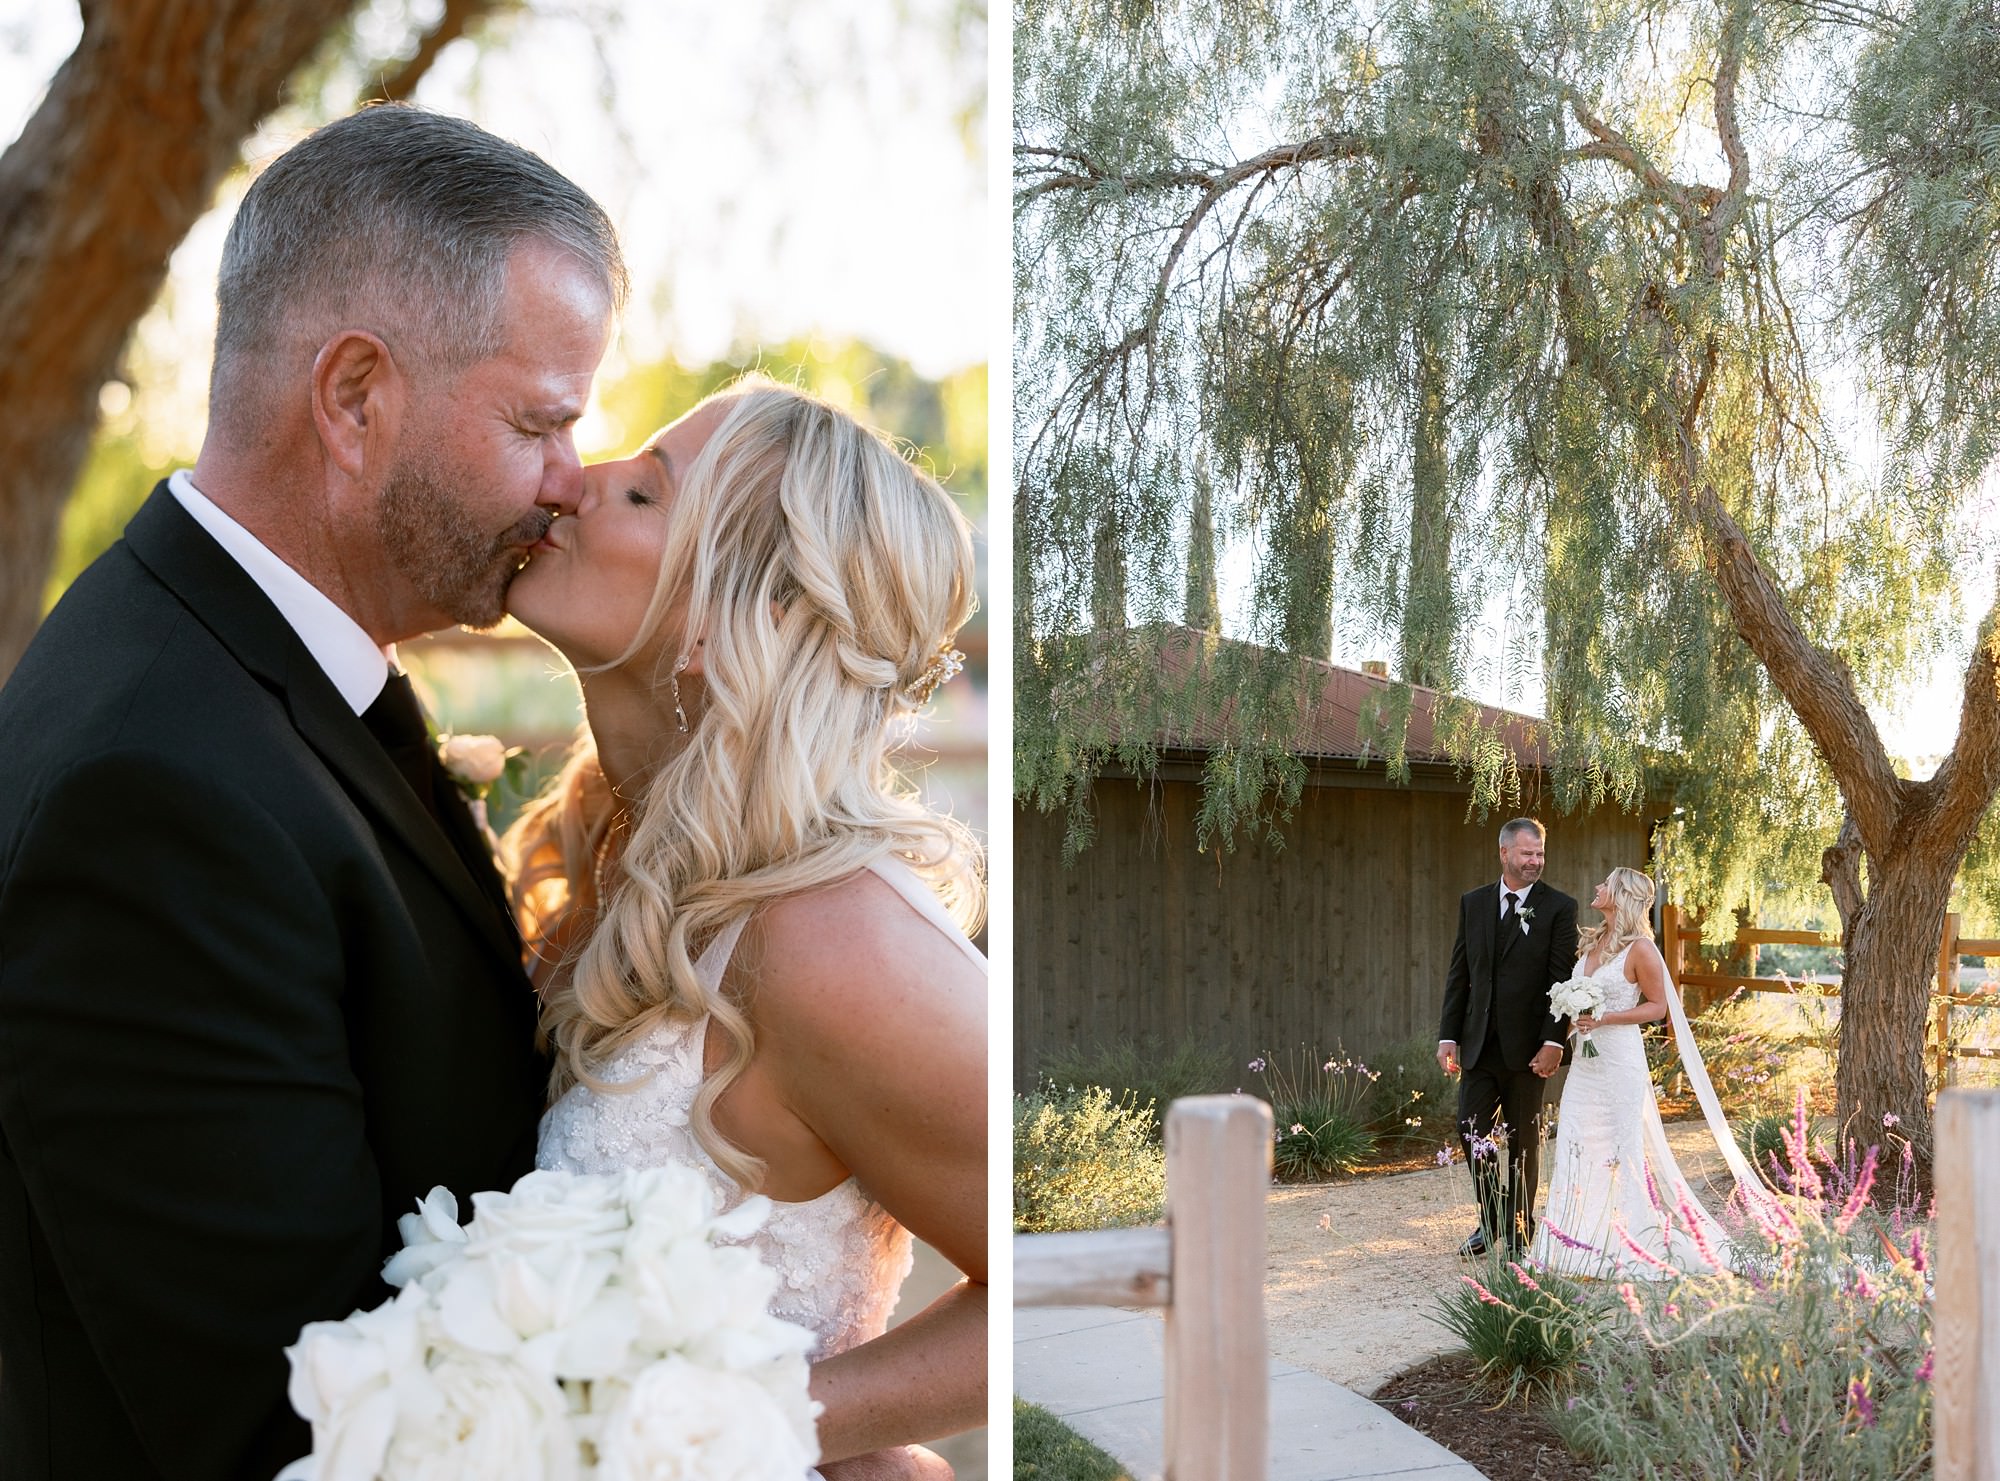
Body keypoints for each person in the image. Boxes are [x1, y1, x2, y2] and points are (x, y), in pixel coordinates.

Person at [0, 106, 623, 1480]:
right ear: (354, 399)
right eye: (540, 421)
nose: (572, 482)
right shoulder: (150, 791)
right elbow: (298, 1419)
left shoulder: (243, 662)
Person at [504, 378, 987, 1479]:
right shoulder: (596, 844)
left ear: (728, 615)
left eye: (641, 490)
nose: (573, 482)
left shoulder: (829, 942)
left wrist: (762, 1418)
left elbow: (1024, 1272)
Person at [1529, 867, 1759, 1278]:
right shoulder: (1595, 940)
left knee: (1620, 1153)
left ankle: (1628, 1240)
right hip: (1586, 1065)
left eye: (1605, 884)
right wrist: (1565, 1026)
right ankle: (1573, 1241)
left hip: (1619, 1063)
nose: (1596, 888)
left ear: (1621, 896)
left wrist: (1606, 1017)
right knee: (1575, 1143)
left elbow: (1658, 1007)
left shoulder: (1641, 949)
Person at [1437, 817, 1580, 1258]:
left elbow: (1562, 979)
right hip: (1478, 1043)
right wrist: (1448, 1036)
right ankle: (1496, 1215)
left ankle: (1518, 1235)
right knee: (1469, 1129)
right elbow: (1461, 973)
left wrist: (1553, 1042)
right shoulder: (1473, 903)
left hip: (1530, 1049)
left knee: (1524, 1143)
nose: (1535, 861)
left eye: (1540, 854)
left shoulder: (1559, 907)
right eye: (1526, 854)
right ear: (1504, 853)